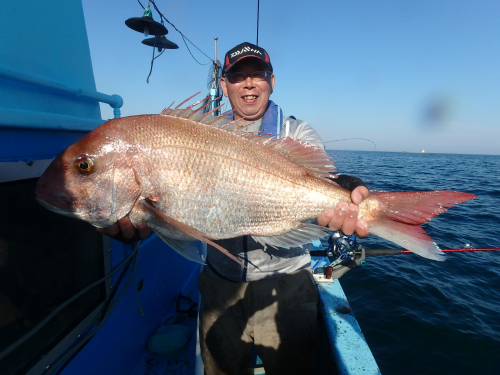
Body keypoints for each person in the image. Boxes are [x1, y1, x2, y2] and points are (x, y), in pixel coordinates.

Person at [99, 42, 369, 375]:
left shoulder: (296, 131)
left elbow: (317, 177)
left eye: (258, 74)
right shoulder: (201, 133)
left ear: (272, 81)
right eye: (238, 76)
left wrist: (341, 186)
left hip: (286, 285)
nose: (249, 82)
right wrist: (144, 221)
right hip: (219, 284)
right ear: (224, 85)